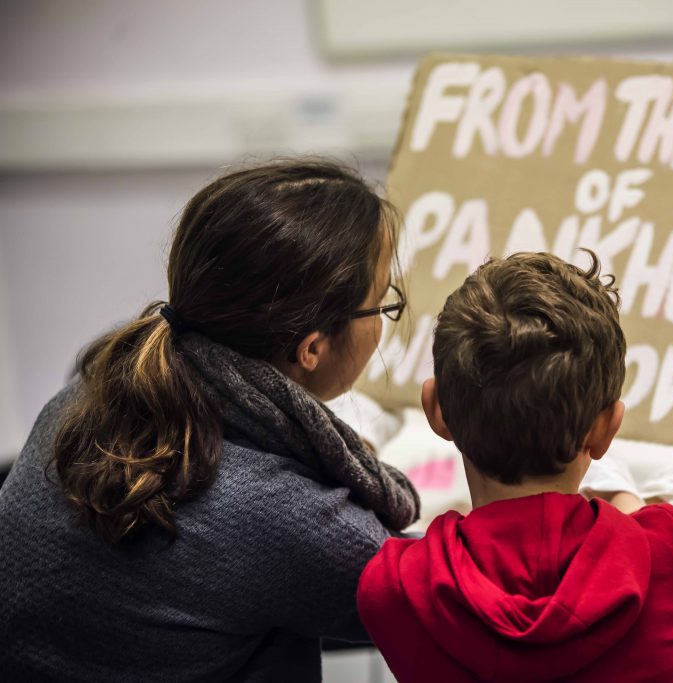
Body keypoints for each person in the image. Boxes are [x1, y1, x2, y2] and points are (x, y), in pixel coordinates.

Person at [0, 159, 420, 682]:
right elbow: (474, 608)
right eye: (381, 302)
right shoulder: (281, 514)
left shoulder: (92, 390)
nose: (383, 320)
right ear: (312, 347)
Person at [357, 251, 673, 682]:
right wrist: (636, 503)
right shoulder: (669, 556)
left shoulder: (396, 585)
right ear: (606, 430)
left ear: (436, 409)